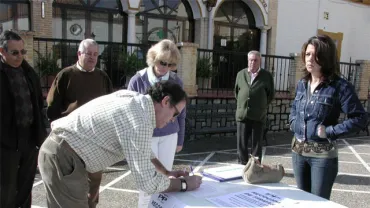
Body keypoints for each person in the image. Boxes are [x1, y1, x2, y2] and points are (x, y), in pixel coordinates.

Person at [38, 80, 202, 207]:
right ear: (166, 101)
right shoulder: (141, 120)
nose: (173, 120)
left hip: (65, 154)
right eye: (174, 114)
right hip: (64, 157)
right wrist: (184, 184)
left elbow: (143, 151)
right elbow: (147, 183)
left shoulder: (136, 102)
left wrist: (166, 172)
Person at [289, 35, 368, 200]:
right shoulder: (302, 84)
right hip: (298, 153)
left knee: (318, 203)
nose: (309, 59)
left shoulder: (339, 87)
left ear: (325, 58)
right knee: (301, 201)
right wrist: (292, 122)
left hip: (322, 158)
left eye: (315, 55)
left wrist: (330, 131)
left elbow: (360, 118)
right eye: (308, 54)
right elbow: (294, 108)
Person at [127, 39, 186, 207]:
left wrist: (180, 139)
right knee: (146, 179)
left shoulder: (176, 81)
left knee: (165, 179)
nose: (164, 67)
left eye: (169, 64)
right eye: (162, 62)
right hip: (146, 136)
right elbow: (130, 111)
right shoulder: (138, 80)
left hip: (169, 135)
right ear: (154, 57)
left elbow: (182, 112)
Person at [0, 30, 47, 207]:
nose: (20, 56)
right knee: (6, 188)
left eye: (22, 52)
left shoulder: (29, 73)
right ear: (2, 52)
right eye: (14, 52)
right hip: (6, 143)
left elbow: (39, 104)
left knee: (27, 186)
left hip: (29, 139)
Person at [46, 38, 113, 122]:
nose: (92, 57)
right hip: (71, 127)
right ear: (79, 54)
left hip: (97, 128)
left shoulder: (103, 77)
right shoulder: (66, 75)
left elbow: (110, 104)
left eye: (95, 54)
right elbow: (53, 105)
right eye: (88, 53)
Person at [234, 50, 275, 164]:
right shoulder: (240, 74)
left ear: (259, 61)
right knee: (241, 144)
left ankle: (255, 168)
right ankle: (242, 166)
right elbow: (237, 92)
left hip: (258, 115)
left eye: (255, 60)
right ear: (248, 61)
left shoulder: (266, 76)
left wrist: (260, 105)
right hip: (243, 115)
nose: (252, 62)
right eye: (250, 60)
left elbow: (270, 95)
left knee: (256, 144)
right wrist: (244, 104)